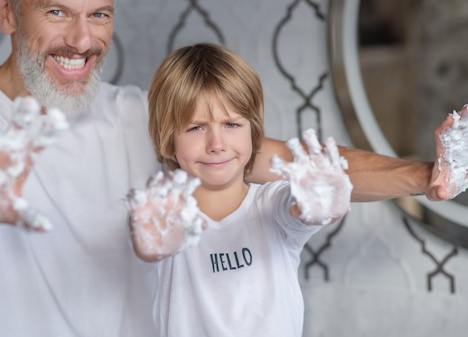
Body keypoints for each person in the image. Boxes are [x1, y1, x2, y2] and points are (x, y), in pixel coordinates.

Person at [0, 0, 468, 337]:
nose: (82, 40)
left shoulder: (146, 114)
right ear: (6, 9)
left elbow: (291, 161)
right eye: (57, 12)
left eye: (99, 14)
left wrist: (426, 176)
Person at [127, 43, 353, 336]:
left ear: (253, 131)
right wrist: (147, 242)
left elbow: (299, 209)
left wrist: (321, 201)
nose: (216, 144)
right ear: (168, 140)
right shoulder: (162, 218)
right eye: (196, 128)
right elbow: (145, 248)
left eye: (232, 124)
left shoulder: (271, 204)